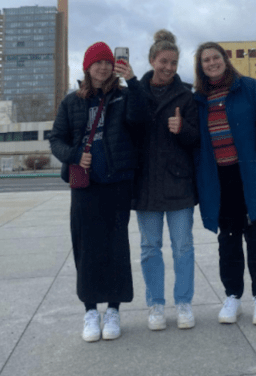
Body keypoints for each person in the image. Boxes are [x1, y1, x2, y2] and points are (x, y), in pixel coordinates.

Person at [50, 42, 143, 342]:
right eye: (97, 63)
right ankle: (90, 310)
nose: (103, 67)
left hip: (116, 183)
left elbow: (142, 120)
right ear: (87, 67)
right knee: (86, 248)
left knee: (116, 246)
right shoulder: (71, 102)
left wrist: (133, 80)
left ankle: (113, 310)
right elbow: (56, 139)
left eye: (107, 62)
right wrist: (75, 155)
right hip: (85, 186)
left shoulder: (124, 95)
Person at [193, 42, 256, 327]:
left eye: (215, 57)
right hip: (221, 180)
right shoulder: (199, 99)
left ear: (225, 60)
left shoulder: (249, 88)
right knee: (228, 240)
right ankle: (233, 295)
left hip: (249, 175)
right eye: (205, 60)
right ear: (200, 66)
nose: (211, 63)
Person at [133, 30, 199, 331]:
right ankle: (156, 305)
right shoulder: (134, 92)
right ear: (151, 60)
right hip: (145, 183)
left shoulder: (187, 96)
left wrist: (183, 128)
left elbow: (198, 139)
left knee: (183, 246)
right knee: (149, 247)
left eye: (174, 62)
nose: (169, 67)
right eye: (163, 61)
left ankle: (183, 302)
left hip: (178, 184)